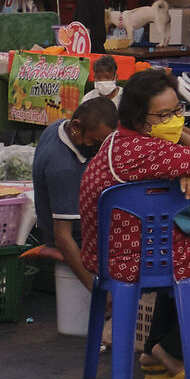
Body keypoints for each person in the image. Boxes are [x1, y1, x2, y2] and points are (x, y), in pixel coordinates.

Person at [79, 67, 190, 379]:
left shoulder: (116, 141)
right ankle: (170, 349)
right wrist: (183, 145)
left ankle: (156, 352)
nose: (174, 119)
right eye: (163, 115)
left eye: (177, 111)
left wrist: (184, 160)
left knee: (181, 250)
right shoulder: (151, 150)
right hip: (134, 257)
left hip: (105, 251)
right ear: (140, 120)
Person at [25, 94, 113, 291]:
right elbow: (63, 238)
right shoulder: (64, 167)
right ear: (75, 128)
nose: (100, 149)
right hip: (78, 239)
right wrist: (93, 287)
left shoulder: (57, 127)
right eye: (96, 142)